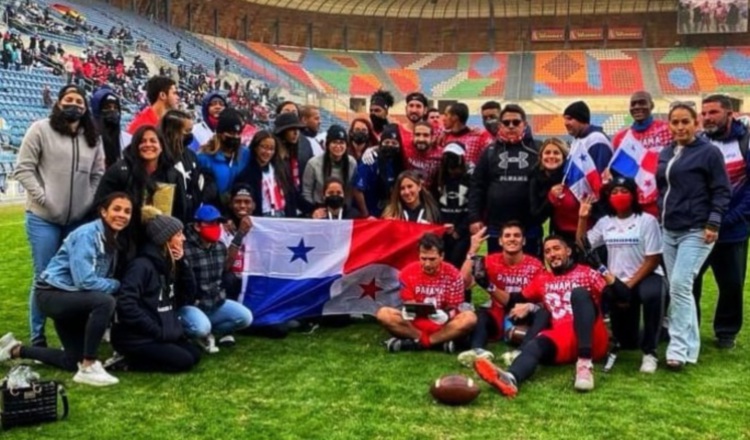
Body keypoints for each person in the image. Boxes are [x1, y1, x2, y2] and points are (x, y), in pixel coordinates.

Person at [1, 193, 133, 386]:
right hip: (52, 295)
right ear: (103, 212)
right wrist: (116, 285)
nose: (122, 215)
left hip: (70, 297)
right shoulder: (88, 234)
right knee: (105, 301)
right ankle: (89, 365)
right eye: (117, 209)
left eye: (127, 211)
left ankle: (14, 349)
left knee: (72, 361)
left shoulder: (112, 236)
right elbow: (85, 282)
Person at [13, 84, 105, 347]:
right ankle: (37, 336)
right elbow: (23, 169)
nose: (73, 104)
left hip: (76, 220)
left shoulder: (93, 137)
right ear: (58, 103)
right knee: (44, 277)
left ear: (85, 108)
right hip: (43, 218)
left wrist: (87, 200)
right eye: (68, 99)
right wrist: (43, 198)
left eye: (78, 101)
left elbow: (98, 174)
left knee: (75, 276)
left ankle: (72, 336)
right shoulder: (40, 129)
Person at [473, 236, 611, 396]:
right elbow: (513, 300)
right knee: (534, 345)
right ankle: (510, 378)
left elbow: (619, 298)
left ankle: (584, 365)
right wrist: (488, 285)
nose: (552, 254)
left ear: (568, 251)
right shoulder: (542, 279)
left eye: (556, 248)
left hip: (591, 335)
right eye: (547, 251)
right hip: (563, 336)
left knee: (579, 294)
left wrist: (601, 268)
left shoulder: (587, 273)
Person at [656, 102, 731, 369]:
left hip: (696, 229)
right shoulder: (666, 152)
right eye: (674, 122)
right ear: (669, 125)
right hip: (669, 230)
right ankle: (689, 349)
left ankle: (677, 348)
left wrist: (713, 221)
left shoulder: (709, 152)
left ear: (695, 123)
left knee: (679, 285)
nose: (679, 127)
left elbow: (722, 190)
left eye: (684, 121)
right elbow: (663, 190)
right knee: (680, 289)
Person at [576, 177, 665, 373]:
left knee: (651, 295)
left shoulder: (647, 221)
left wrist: (628, 286)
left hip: (645, 276)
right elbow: (583, 246)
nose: (619, 196)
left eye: (624, 191)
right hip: (618, 279)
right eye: (614, 192)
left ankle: (650, 352)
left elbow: (653, 259)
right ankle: (622, 338)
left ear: (633, 195)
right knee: (627, 342)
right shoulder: (605, 222)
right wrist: (583, 218)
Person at [109, 206, 201, 373]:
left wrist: (183, 265)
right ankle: (128, 362)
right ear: (165, 239)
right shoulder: (141, 266)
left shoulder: (169, 264)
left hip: (160, 332)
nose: (184, 239)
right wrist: (156, 330)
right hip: (137, 336)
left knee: (194, 355)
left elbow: (186, 296)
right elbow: (126, 304)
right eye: (179, 234)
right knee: (183, 361)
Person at [692, 95, 750, 350]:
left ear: (730, 114)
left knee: (731, 283)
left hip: (733, 228)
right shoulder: (700, 142)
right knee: (689, 279)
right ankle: (688, 325)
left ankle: (726, 331)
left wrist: (729, 219)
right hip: (699, 227)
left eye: (713, 112)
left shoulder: (745, 142)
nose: (707, 118)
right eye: (703, 113)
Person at [457, 222, 544, 367]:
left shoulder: (535, 265)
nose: (512, 239)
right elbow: (463, 283)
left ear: (524, 241)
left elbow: (542, 299)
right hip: (497, 313)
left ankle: (522, 351)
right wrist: (472, 251)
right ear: (500, 240)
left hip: (523, 314)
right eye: (507, 235)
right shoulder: (490, 260)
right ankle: (477, 350)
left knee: (539, 317)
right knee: (480, 316)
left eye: (517, 235)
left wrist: (529, 307)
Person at [376, 233, 477, 353]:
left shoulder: (453, 274)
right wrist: (409, 311)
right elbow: (409, 302)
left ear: (442, 256)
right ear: (418, 256)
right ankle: (437, 343)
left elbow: (455, 306)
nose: (427, 264)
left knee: (470, 318)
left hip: (444, 325)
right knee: (383, 314)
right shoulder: (407, 272)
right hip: (415, 323)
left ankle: (417, 343)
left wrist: (446, 315)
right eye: (423, 258)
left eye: (432, 259)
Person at [95, 125, 179, 255]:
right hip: (122, 239)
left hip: (158, 241)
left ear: (162, 146)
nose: (148, 144)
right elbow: (100, 204)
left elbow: (180, 211)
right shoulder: (119, 170)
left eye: (153, 141)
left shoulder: (172, 174)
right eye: (142, 141)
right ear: (135, 146)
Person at [469, 104, 540, 254]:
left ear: (525, 124)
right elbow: (477, 185)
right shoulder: (490, 151)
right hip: (497, 226)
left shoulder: (537, 149)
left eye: (516, 122)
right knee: (497, 270)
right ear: (500, 125)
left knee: (532, 271)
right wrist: (475, 217)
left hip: (530, 225)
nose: (511, 126)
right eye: (506, 123)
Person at [610, 91, 672, 215]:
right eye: (633, 104)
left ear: (652, 106)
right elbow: (618, 173)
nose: (637, 107)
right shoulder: (621, 138)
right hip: (635, 203)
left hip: (665, 198)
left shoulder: (667, 130)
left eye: (642, 103)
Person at [159, 109, 215, 223]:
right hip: (169, 221)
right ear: (174, 131)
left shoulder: (191, 155)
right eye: (187, 131)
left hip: (189, 219)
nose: (191, 135)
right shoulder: (161, 158)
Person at [430, 142, 472, 271]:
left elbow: (473, 206)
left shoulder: (469, 177)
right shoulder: (439, 176)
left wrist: (459, 230)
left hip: (461, 231)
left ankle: (462, 291)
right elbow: (433, 203)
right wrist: (440, 226)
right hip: (443, 229)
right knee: (442, 264)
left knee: (457, 264)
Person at [236, 130, 297, 217]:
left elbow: (292, 194)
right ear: (255, 147)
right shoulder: (247, 174)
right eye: (263, 147)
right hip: (262, 216)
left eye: (271, 149)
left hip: (282, 214)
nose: (267, 152)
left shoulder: (281, 170)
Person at [198, 108, 250, 201]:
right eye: (231, 133)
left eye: (238, 133)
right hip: (213, 208)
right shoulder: (205, 157)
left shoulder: (245, 154)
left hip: (239, 207)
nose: (235, 137)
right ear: (220, 134)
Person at [352, 125, 404, 218]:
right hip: (369, 213)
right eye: (387, 142)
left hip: (386, 213)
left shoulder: (399, 162)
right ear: (381, 142)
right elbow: (357, 189)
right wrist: (365, 214)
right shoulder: (370, 160)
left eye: (394, 143)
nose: (390, 145)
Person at [302, 125, 357, 210]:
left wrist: (346, 209)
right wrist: (313, 210)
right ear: (327, 144)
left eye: (341, 142)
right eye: (334, 142)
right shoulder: (313, 164)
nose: (338, 146)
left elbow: (351, 190)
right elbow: (307, 192)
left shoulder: (352, 163)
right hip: (319, 208)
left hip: (343, 209)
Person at [529, 138, 570, 243]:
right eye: (547, 152)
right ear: (541, 156)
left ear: (564, 156)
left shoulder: (571, 176)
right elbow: (537, 215)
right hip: (557, 230)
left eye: (556, 153)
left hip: (576, 228)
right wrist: (550, 197)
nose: (551, 156)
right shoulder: (535, 177)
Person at [274, 112, 315, 214]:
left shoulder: (292, 157)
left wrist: (313, 209)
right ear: (282, 132)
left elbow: (293, 191)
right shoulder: (274, 159)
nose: (296, 133)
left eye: (298, 129)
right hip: (278, 211)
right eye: (292, 129)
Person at [563, 101, 613, 173]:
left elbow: (601, 175)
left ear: (581, 119)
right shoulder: (578, 139)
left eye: (570, 119)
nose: (565, 123)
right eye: (565, 119)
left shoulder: (596, 139)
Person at [441, 102, 493, 166]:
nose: (443, 119)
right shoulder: (444, 137)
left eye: (446, 115)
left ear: (455, 117)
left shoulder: (478, 137)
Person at [90, 87, 128, 169]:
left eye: (115, 108)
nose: (112, 110)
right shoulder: (89, 139)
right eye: (107, 107)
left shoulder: (127, 140)